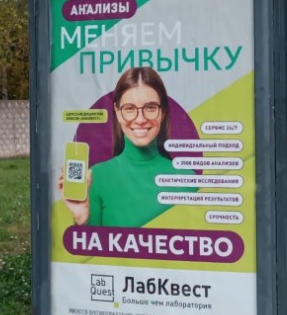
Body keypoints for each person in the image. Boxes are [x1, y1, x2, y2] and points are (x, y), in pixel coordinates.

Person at [62, 66, 194, 227]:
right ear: (117, 112)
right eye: (129, 109)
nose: (140, 119)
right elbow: (89, 243)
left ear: (162, 112)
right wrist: (82, 218)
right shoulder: (96, 177)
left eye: (150, 107)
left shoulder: (187, 178)